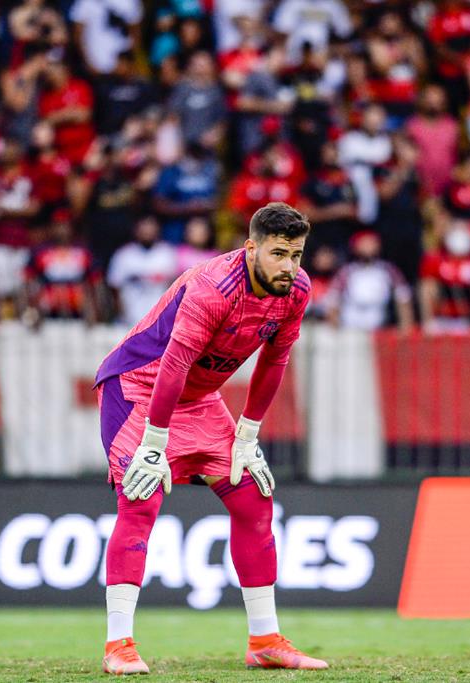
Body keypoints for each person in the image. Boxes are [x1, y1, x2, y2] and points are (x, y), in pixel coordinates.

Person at [93, 203, 327, 674]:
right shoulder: (212, 287)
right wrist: (155, 442)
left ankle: (264, 640)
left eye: (296, 255)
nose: (289, 266)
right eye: (279, 253)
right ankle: (118, 646)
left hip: (198, 398)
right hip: (140, 388)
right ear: (251, 247)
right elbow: (174, 365)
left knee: (255, 500)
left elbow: (275, 361)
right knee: (141, 499)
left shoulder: (297, 290)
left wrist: (248, 433)